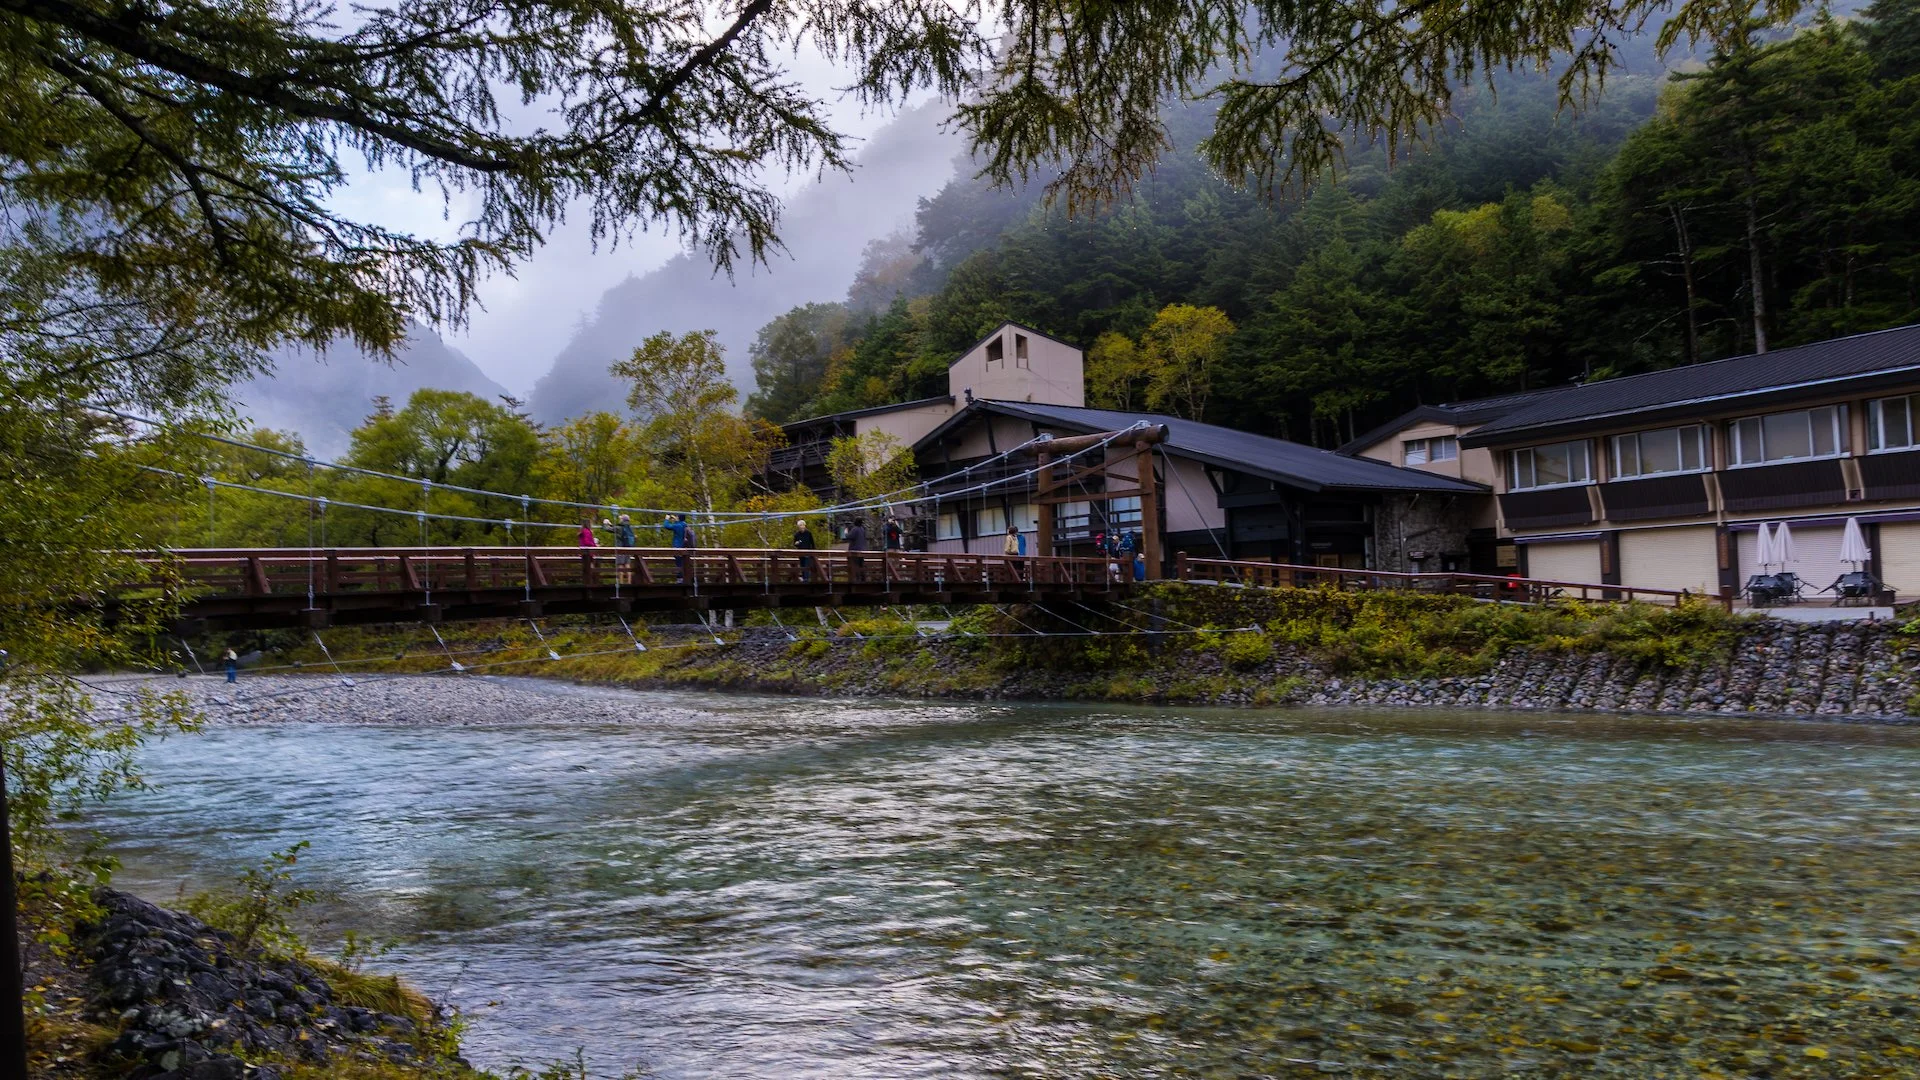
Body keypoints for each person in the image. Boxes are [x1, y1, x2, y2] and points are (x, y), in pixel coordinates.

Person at [610, 513, 637, 582]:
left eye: (621, 518)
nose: (620, 519)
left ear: (622, 520)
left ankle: (621, 582)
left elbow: (608, 529)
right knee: (627, 564)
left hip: (620, 548)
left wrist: (605, 523)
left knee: (620, 565)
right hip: (628, 548)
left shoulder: (619, 528)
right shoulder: (630, 528)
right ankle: (629, 582)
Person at [845, 517, 869, 582]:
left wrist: (846, 532)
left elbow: (849, 537)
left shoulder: (855, 529)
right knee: (861, 565)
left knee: (855, 565)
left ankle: (856, 579)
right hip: (862, 550)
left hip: (855, 550)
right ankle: (863, 579)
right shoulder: (862, 529)